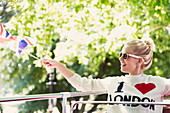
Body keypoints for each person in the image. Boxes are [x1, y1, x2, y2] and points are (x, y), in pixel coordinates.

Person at [42, 39, 170, 113]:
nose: (120, 59)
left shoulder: (159, 83)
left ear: (139, 61)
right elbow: (81, 84)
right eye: (120, 54)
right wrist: (58, 66)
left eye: (125, 56)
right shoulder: (113, 82)